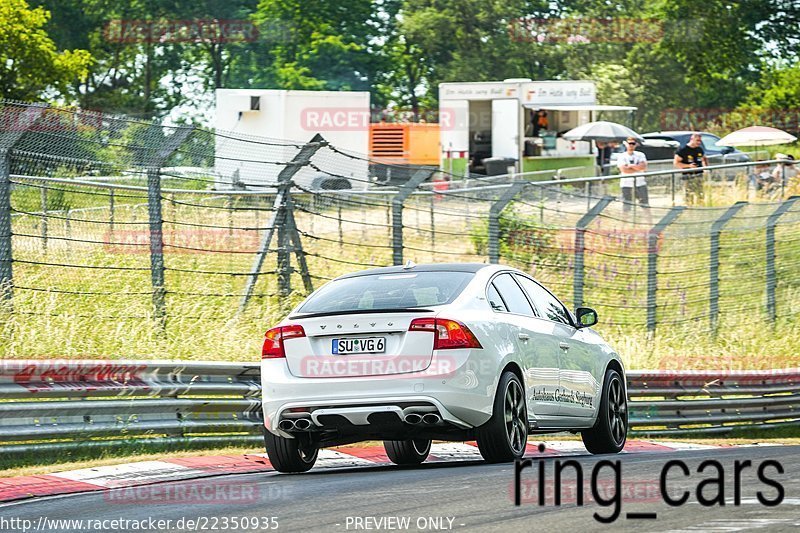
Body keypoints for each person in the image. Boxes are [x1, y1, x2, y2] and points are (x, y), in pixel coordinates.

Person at [674, 133, 709, 205]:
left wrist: (706, 168)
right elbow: (676, 163)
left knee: (700, 194)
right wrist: (689, 166)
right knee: (689, 195)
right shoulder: (683, 150)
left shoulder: (699, 149)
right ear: (692, 139)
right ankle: (689, 209)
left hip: (699, 175)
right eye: (697, 140)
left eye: (700, 141)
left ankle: (701, 208)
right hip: (688, 176)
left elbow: (704, 159)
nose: (699, 143)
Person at [616, 137, 648, 211]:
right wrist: (637, 168)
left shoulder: (640, 155)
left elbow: (643, 167)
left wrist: (631, 166)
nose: (631, 145)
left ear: (636, 144)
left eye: (633, 143)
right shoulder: (621, 156)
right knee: (626, 207)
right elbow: (624, 170)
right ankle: (625, 222)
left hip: (640, 183)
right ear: (626, 144)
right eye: (629, 143)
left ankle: (649, 222)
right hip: (626, 184)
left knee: (645, 206)